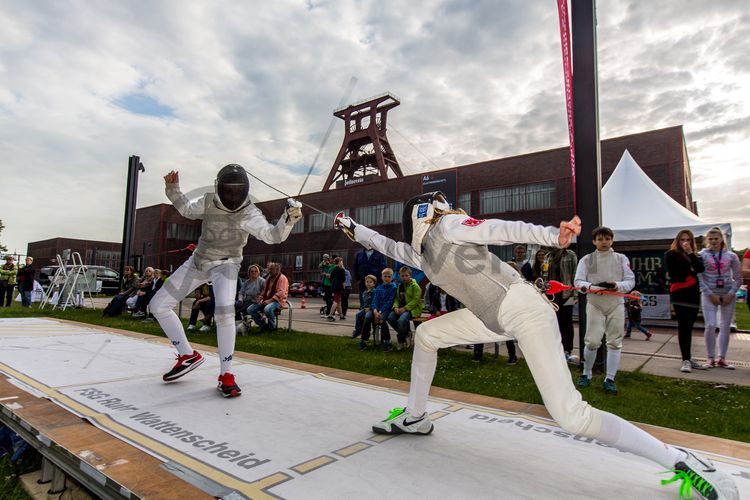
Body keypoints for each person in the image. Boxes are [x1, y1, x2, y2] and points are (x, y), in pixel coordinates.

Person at [334, 192, 739, 500]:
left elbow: (496, 228)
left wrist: (551, 236)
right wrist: (349, 225)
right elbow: (384, 245)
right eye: (441, 207)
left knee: (573, 416)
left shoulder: (450, 229)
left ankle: (683, 461)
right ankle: (416, 417)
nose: (449, 211)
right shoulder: (420, 254)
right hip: (495, 316)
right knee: (427, 335)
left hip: (523, 310)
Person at [149, 165, 302, 398]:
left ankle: (226, 375)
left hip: (227, 265)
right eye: (227, 190)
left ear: (245, 190)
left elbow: (273, 236)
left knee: (224, 314)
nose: (232, 195)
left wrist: (287, 220)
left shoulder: (249, 212)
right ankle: (187, 355)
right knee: (158, 305)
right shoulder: (209, 200)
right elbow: (188, 210)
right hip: (199, 261)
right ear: (218, 187)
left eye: (236, 190)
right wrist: (173, 188)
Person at [574, 226, 635, 395]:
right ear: (594, 241)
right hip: (595, 303)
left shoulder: (621, 258)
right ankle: (586, 374)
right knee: (592, 341)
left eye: (607, 239)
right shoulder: (587, 260)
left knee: (615, 342)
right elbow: (578, 282)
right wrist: (593, 287)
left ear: (612, 240)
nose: (604, 242)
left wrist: (617, 285)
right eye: (600, 239)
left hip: (616, 303)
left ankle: (610, 379)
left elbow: (630, 281)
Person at [664, 229, 709, 373]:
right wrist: (689, 269)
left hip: (693, 294)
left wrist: (690, 255)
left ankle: (689, 358)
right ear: (678, 241)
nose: (685, 242)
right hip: (679, 294)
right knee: (683, 326)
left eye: (688, 240)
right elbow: (675, 274)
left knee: (690, 326)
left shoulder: (696, 255)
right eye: (683, 240)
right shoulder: (670, 254)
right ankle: (685, 359)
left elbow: (700, 269)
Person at [698, 227, 740, 369]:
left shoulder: (731, 256)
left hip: (727, 293)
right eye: (710, 239)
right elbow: (699, 276)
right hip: (709, 293)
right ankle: (710, 357)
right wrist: (710, 294)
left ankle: (722, 358)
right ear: (707, 241)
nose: (714, 241)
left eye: (716, 238)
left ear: (722, 239)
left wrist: (731, 293)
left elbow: (738, 278)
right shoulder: (702, 255)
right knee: (710, 325)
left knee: (725, 326)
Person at [542, 247, 578, 363]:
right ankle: (555, 348)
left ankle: (567, 349)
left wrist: (575, 293)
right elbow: (545, 275)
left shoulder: (570, 254)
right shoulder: (548, 256)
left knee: (566, 322)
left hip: (566, 293)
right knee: (553, 321)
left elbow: (575, 273)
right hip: (552, 294)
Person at [387, 266, 423, 349]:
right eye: (402, 276)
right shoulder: (400, 286)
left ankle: (401, 341)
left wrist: (405, 308)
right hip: (400, 308)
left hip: (411, 309)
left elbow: (416, 300)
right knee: (390, 318)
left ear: (410, 275)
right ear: (399, 276)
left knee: (401, 320)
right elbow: (396, 298)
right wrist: (395, 307)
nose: (404, 277)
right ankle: (406, 333)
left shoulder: (415, 286)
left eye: (406, 275)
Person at [247, 262, 289, 331]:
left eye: (271, 269)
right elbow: (264, 290)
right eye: (269, 269)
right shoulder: (269, 277)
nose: (269, 271)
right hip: (267, 299)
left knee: (267, 309)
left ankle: (272, 328)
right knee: (250, 309)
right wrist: (260, 298)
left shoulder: (282, 278)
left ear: (277, 270)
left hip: (278, 301)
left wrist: (269, 301)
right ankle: (263, 325)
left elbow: (281, 293)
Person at [362, 268, 397, 352]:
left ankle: (387, 342)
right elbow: (375, 300)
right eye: (385, 276)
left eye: (389, 276)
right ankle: (364, 341)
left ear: (392, 278)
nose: (387, 278)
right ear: (382, 277)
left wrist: (380, 311)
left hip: (386, 309)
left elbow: (390, 302)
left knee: (381, 319)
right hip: (376, 309)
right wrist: (374, 310)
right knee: (367, 317)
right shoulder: (379, 288)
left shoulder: (393, 287)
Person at [352, 274, 377, 346]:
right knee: (358, 315)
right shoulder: (364, 292)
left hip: (372, 309)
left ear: (374, 284)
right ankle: (358, 330)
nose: (368, 283)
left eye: (370, 282)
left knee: (366, 316)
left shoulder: (374, 292)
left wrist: (370, 308)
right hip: (365, 308)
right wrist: (362, 308)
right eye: (367, 282)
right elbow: (363, 303)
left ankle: (365, 332)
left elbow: (374, 302)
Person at [327, 257, 346, 321]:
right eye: (342, 261)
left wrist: (333, 283)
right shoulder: (342, 269)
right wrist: (344, 288)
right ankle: (330, 315)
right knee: (336, 301)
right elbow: (343, 280)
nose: (342, 262)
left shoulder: (334, 269)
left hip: (334, 287)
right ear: (339, 262)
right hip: (339, 288)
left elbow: (330, 278)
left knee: (339, 302)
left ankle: (341, 316)